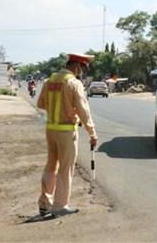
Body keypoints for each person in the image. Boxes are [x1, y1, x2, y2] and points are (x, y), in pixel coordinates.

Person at [36, 53, 98, 217]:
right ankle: (60, 206)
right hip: (66, 132)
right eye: (82, 69)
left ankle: (44, 203)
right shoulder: (73, 83)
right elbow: (84, 112)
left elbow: (40, 103)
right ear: (77, 67)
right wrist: (92, 132)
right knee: (65, 169)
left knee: (51, 165)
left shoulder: (49, 81)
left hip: (51, 130)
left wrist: (56, 109)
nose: (81, 73)